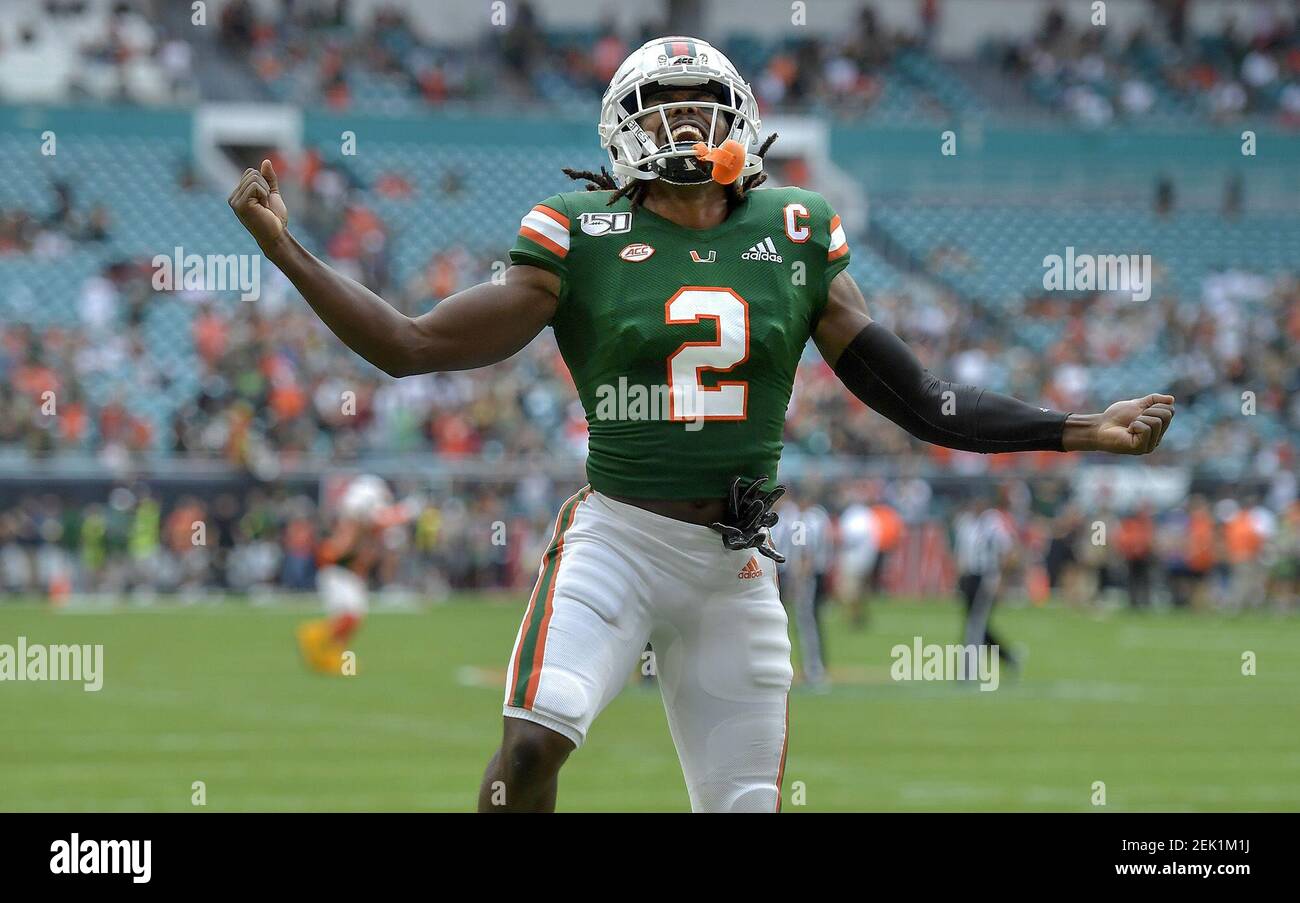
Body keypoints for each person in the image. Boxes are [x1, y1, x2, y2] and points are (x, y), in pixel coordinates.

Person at [228, 35, 1176, 812]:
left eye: (700, 103)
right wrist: (286, 249)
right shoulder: (577, 232)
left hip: (735, 562)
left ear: (741, 121)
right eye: (661, 106)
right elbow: (408, 342)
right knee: (530, 744)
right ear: (621, 128)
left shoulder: (797, 233)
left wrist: (1084, 427)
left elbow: (923, 401)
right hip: (619, 536)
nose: (683, 121)